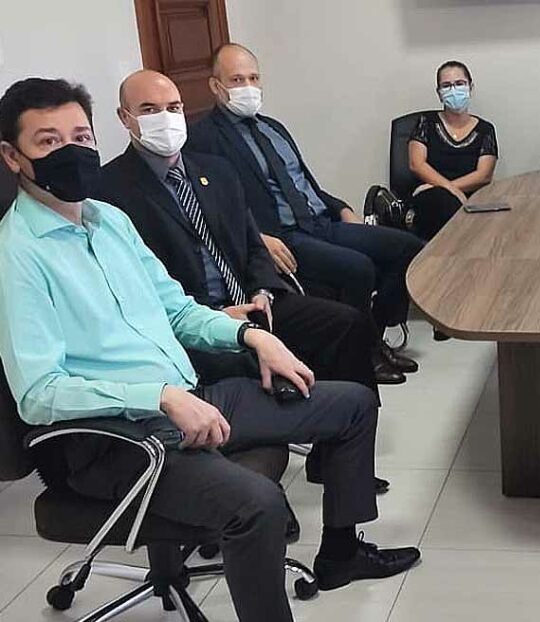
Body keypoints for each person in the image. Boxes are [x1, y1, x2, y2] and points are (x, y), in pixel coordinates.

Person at [0, 78, 420, 621]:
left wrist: (252, 336)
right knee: (258, 505)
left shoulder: (108, 221)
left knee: (353, 405)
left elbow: (176, 310)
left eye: (80, 137)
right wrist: (161, 396)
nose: (72, 151)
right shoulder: (16, 255)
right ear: (12, 157)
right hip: (116, 439)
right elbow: (39, 394)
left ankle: (341, 554)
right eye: (49, 142)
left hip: (189, 398)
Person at [96, 69, 397, 492]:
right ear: (124, 117)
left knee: (348, 324)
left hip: (254, 302)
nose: (165, 118)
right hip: (194, 319)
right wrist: (214, 314)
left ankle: (337, 458)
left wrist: (261, 289)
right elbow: (137, 286)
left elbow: (253, 244)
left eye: (173, 107)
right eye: (149, 109)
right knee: (240, 363)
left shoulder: (215, 171)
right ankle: (256, 484)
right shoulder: (108, 193)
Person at [186, 43, 424, 369]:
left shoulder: (273, 128)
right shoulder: (203, 139)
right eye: (237, 80)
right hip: (282, 235)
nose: (248, 87)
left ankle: (374, 334)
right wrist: (257, 237)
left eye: (253, 78)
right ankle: (365, 355)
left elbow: (303, 183)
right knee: (358, 268)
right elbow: (213, 206)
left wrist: (341, 208)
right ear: (216, 86)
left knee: (409, 248)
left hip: (320, 222)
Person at [407, 60, 498, 240]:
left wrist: (452, 189)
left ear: (470, 87)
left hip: (471, 198)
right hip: (430, 196)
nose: (453, 90)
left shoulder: (485, 129)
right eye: (446, 86)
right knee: (443, 203)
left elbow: (484, 175)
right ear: (439, 93)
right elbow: (416, 164)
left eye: (459, 83)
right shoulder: (426, 122)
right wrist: (450, 190)